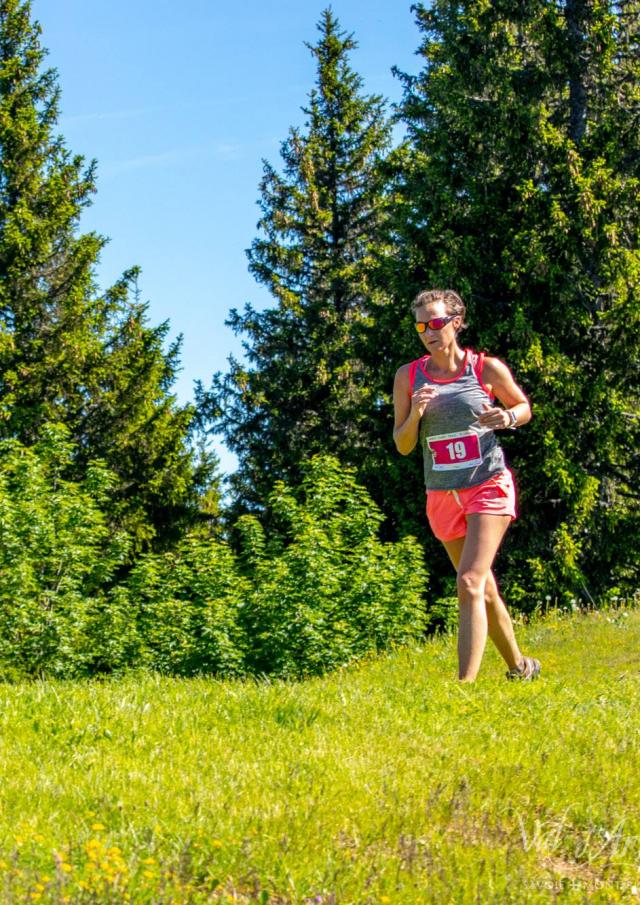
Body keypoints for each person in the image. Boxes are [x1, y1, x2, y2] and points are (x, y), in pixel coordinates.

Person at [393, 288, 541, 683]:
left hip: (487, 484)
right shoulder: (409, 376)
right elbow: (403, 445)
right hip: (442, 493)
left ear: (456, 322)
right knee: (483, 588)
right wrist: (418, 413)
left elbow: (523, 406)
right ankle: (520, 667)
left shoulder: (484, 368)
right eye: (422, 325)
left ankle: (464, 687)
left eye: (437, 322)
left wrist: (506, 418)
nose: (429, 331)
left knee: (470, 580)